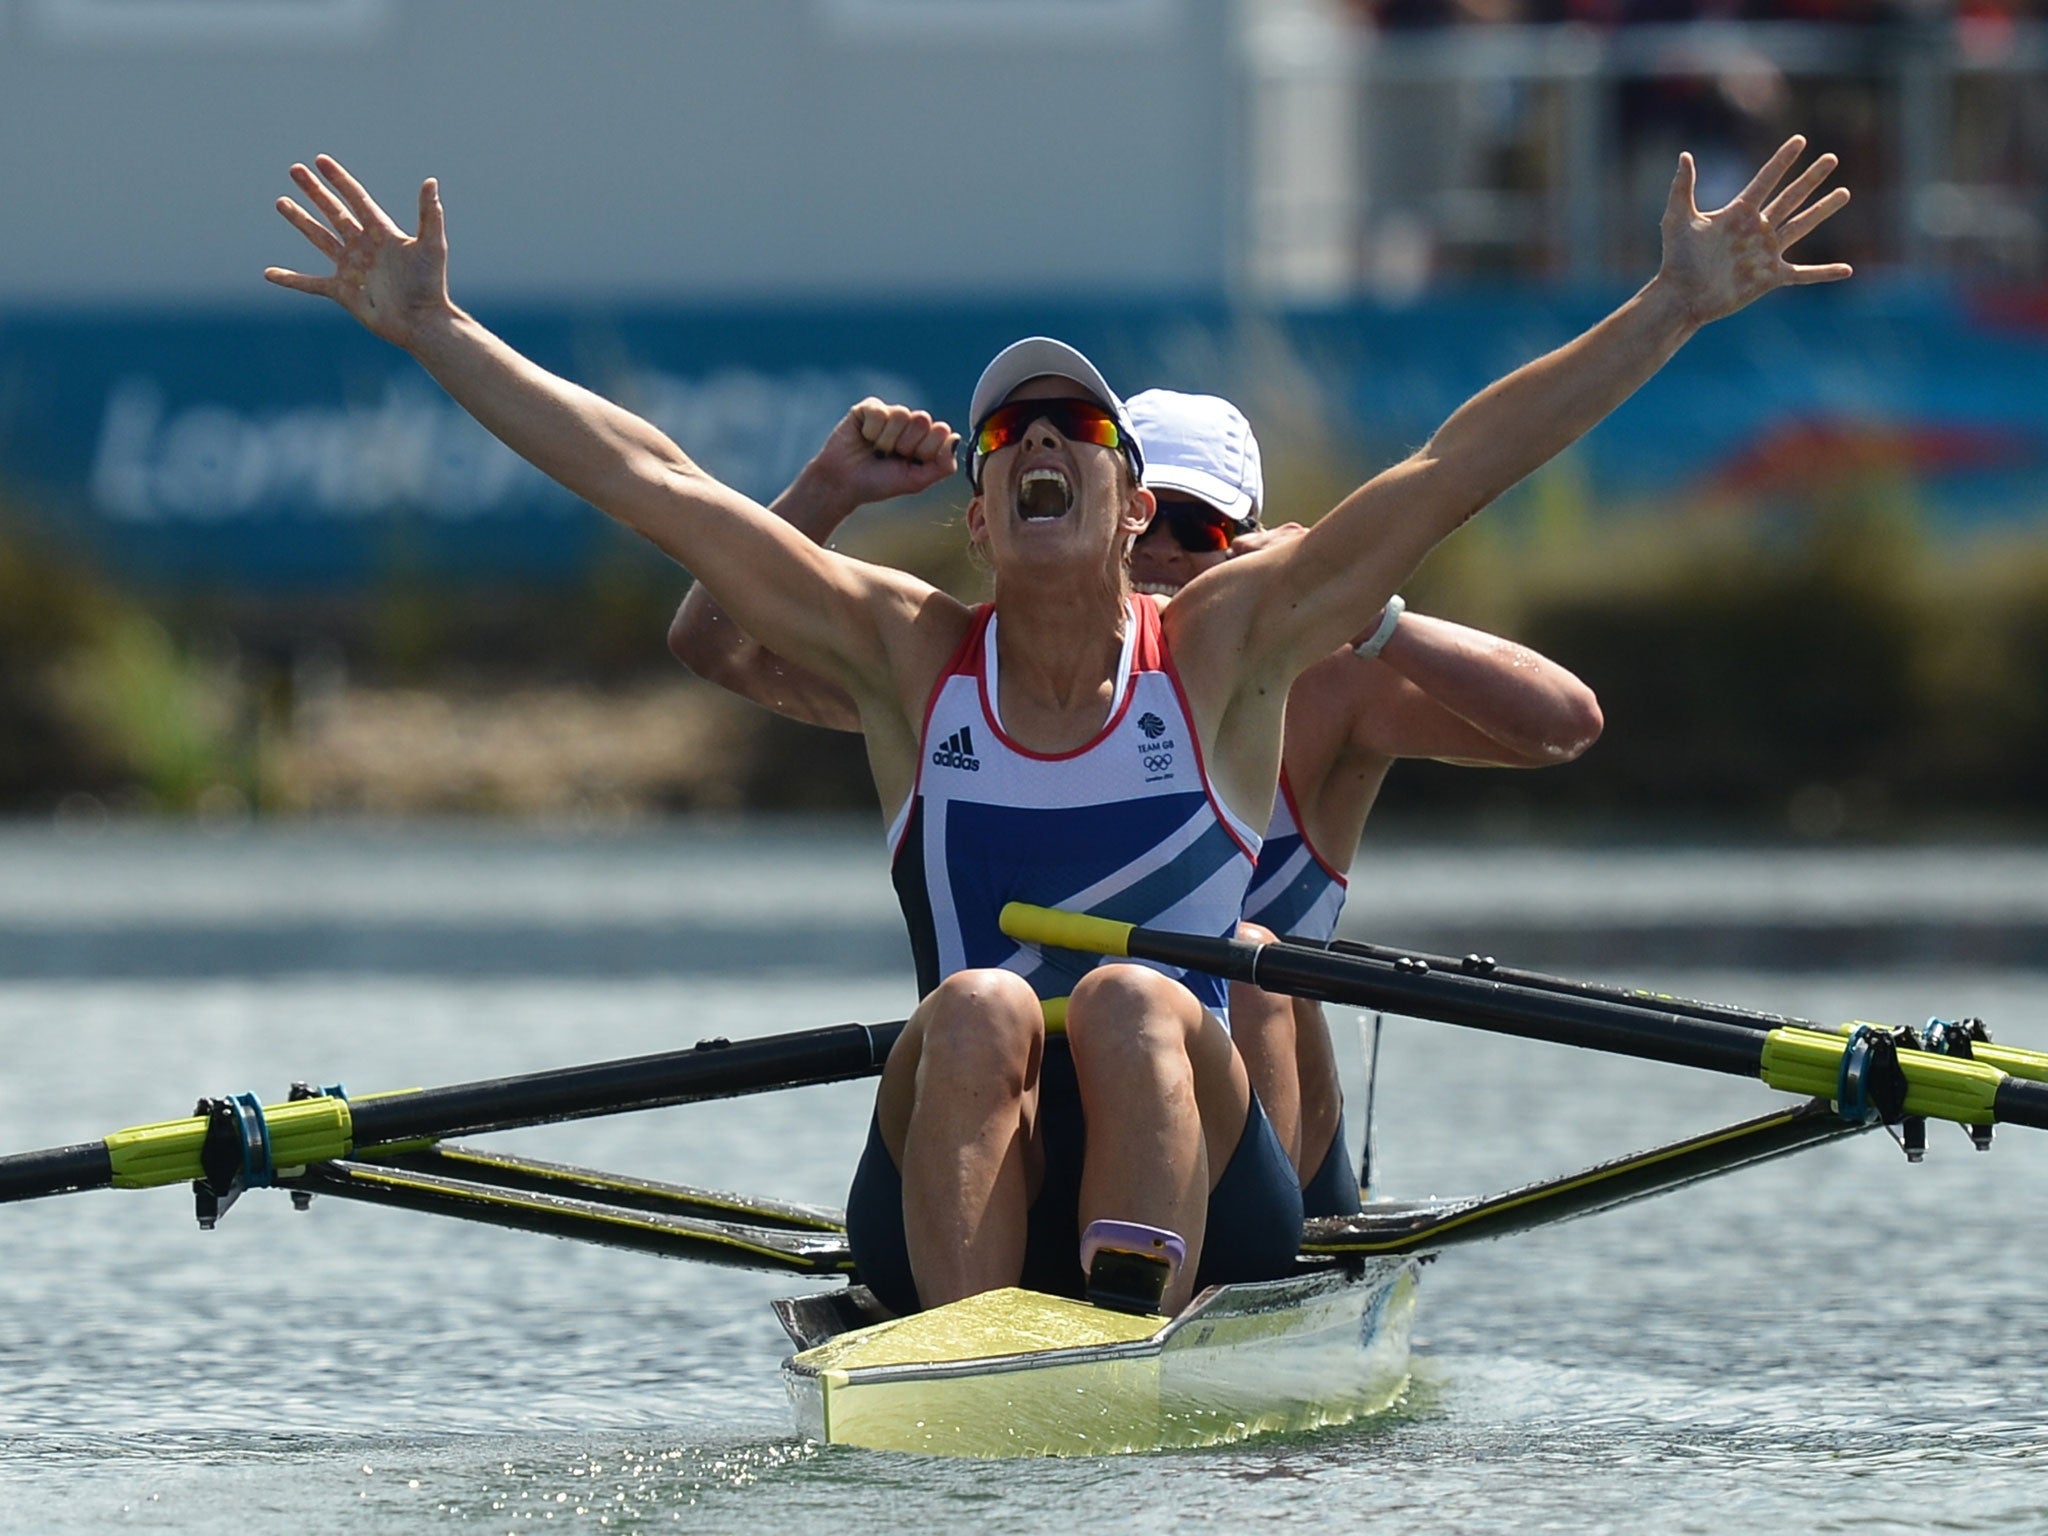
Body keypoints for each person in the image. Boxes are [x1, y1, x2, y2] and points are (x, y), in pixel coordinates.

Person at [264, 139, 1851, 1315]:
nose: (1038, 438)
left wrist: (1671, 305)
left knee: (1136, 1006)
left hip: (1221, 1195)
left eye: (1074, 426)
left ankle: (1115, 1333)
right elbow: (659, 490)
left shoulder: (1228, 649)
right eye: (1009, 428)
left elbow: (1451, 471)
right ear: (974, 511)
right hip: (959, 1164)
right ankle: (969, 1366)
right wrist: (438, 334)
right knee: (974, 1011)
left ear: (1128, 503)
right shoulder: (903, 657)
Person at [668, 387, 1604, 1216]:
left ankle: (1239, 1268)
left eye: (1196, 531)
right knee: (990, 1011)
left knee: (1246, 956)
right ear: (1113, 511)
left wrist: (1374, 616)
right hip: (1037, 1103)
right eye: (1148, 525)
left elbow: (1563, 724)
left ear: (1249, 549)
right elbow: (718, 645)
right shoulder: (993, 692)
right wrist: (825, 495)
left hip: (1256, 1149)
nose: (1158, 554)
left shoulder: (1332, 691)